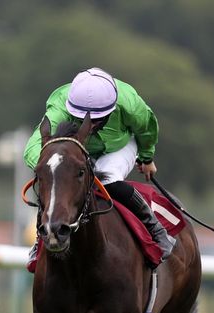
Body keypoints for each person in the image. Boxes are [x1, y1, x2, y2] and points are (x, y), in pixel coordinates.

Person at [23, 67, 175, 265]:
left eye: (98, 120)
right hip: (74, 153)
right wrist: (59, 168)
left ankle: (156, 229)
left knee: (109, 179)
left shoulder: (128, 102)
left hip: (118, 147)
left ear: (111, 109)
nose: (91, 126)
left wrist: (147, 158)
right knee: (55, 182)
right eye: (85, 120)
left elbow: (146, 128)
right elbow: (32, 148)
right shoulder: (60, 105)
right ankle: (40, 240)